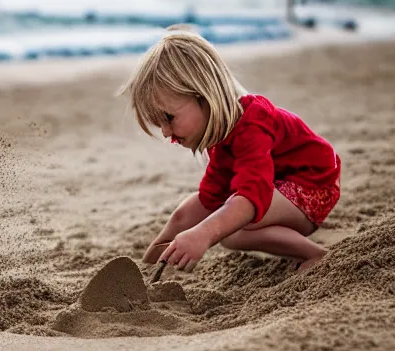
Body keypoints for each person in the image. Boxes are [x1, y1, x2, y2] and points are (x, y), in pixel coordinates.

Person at [119, 29, 341, 273]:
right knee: (203, 210)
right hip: (279, 183)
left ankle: (315, 255)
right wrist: (149, 265)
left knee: (235, 231)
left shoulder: (252, 123)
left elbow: (251, 196)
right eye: (158, 123)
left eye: (169, 118)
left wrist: (202, 235)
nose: (164, 132)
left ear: (203, 96)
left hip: (314, 185)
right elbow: (207, 201)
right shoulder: (221, 135)